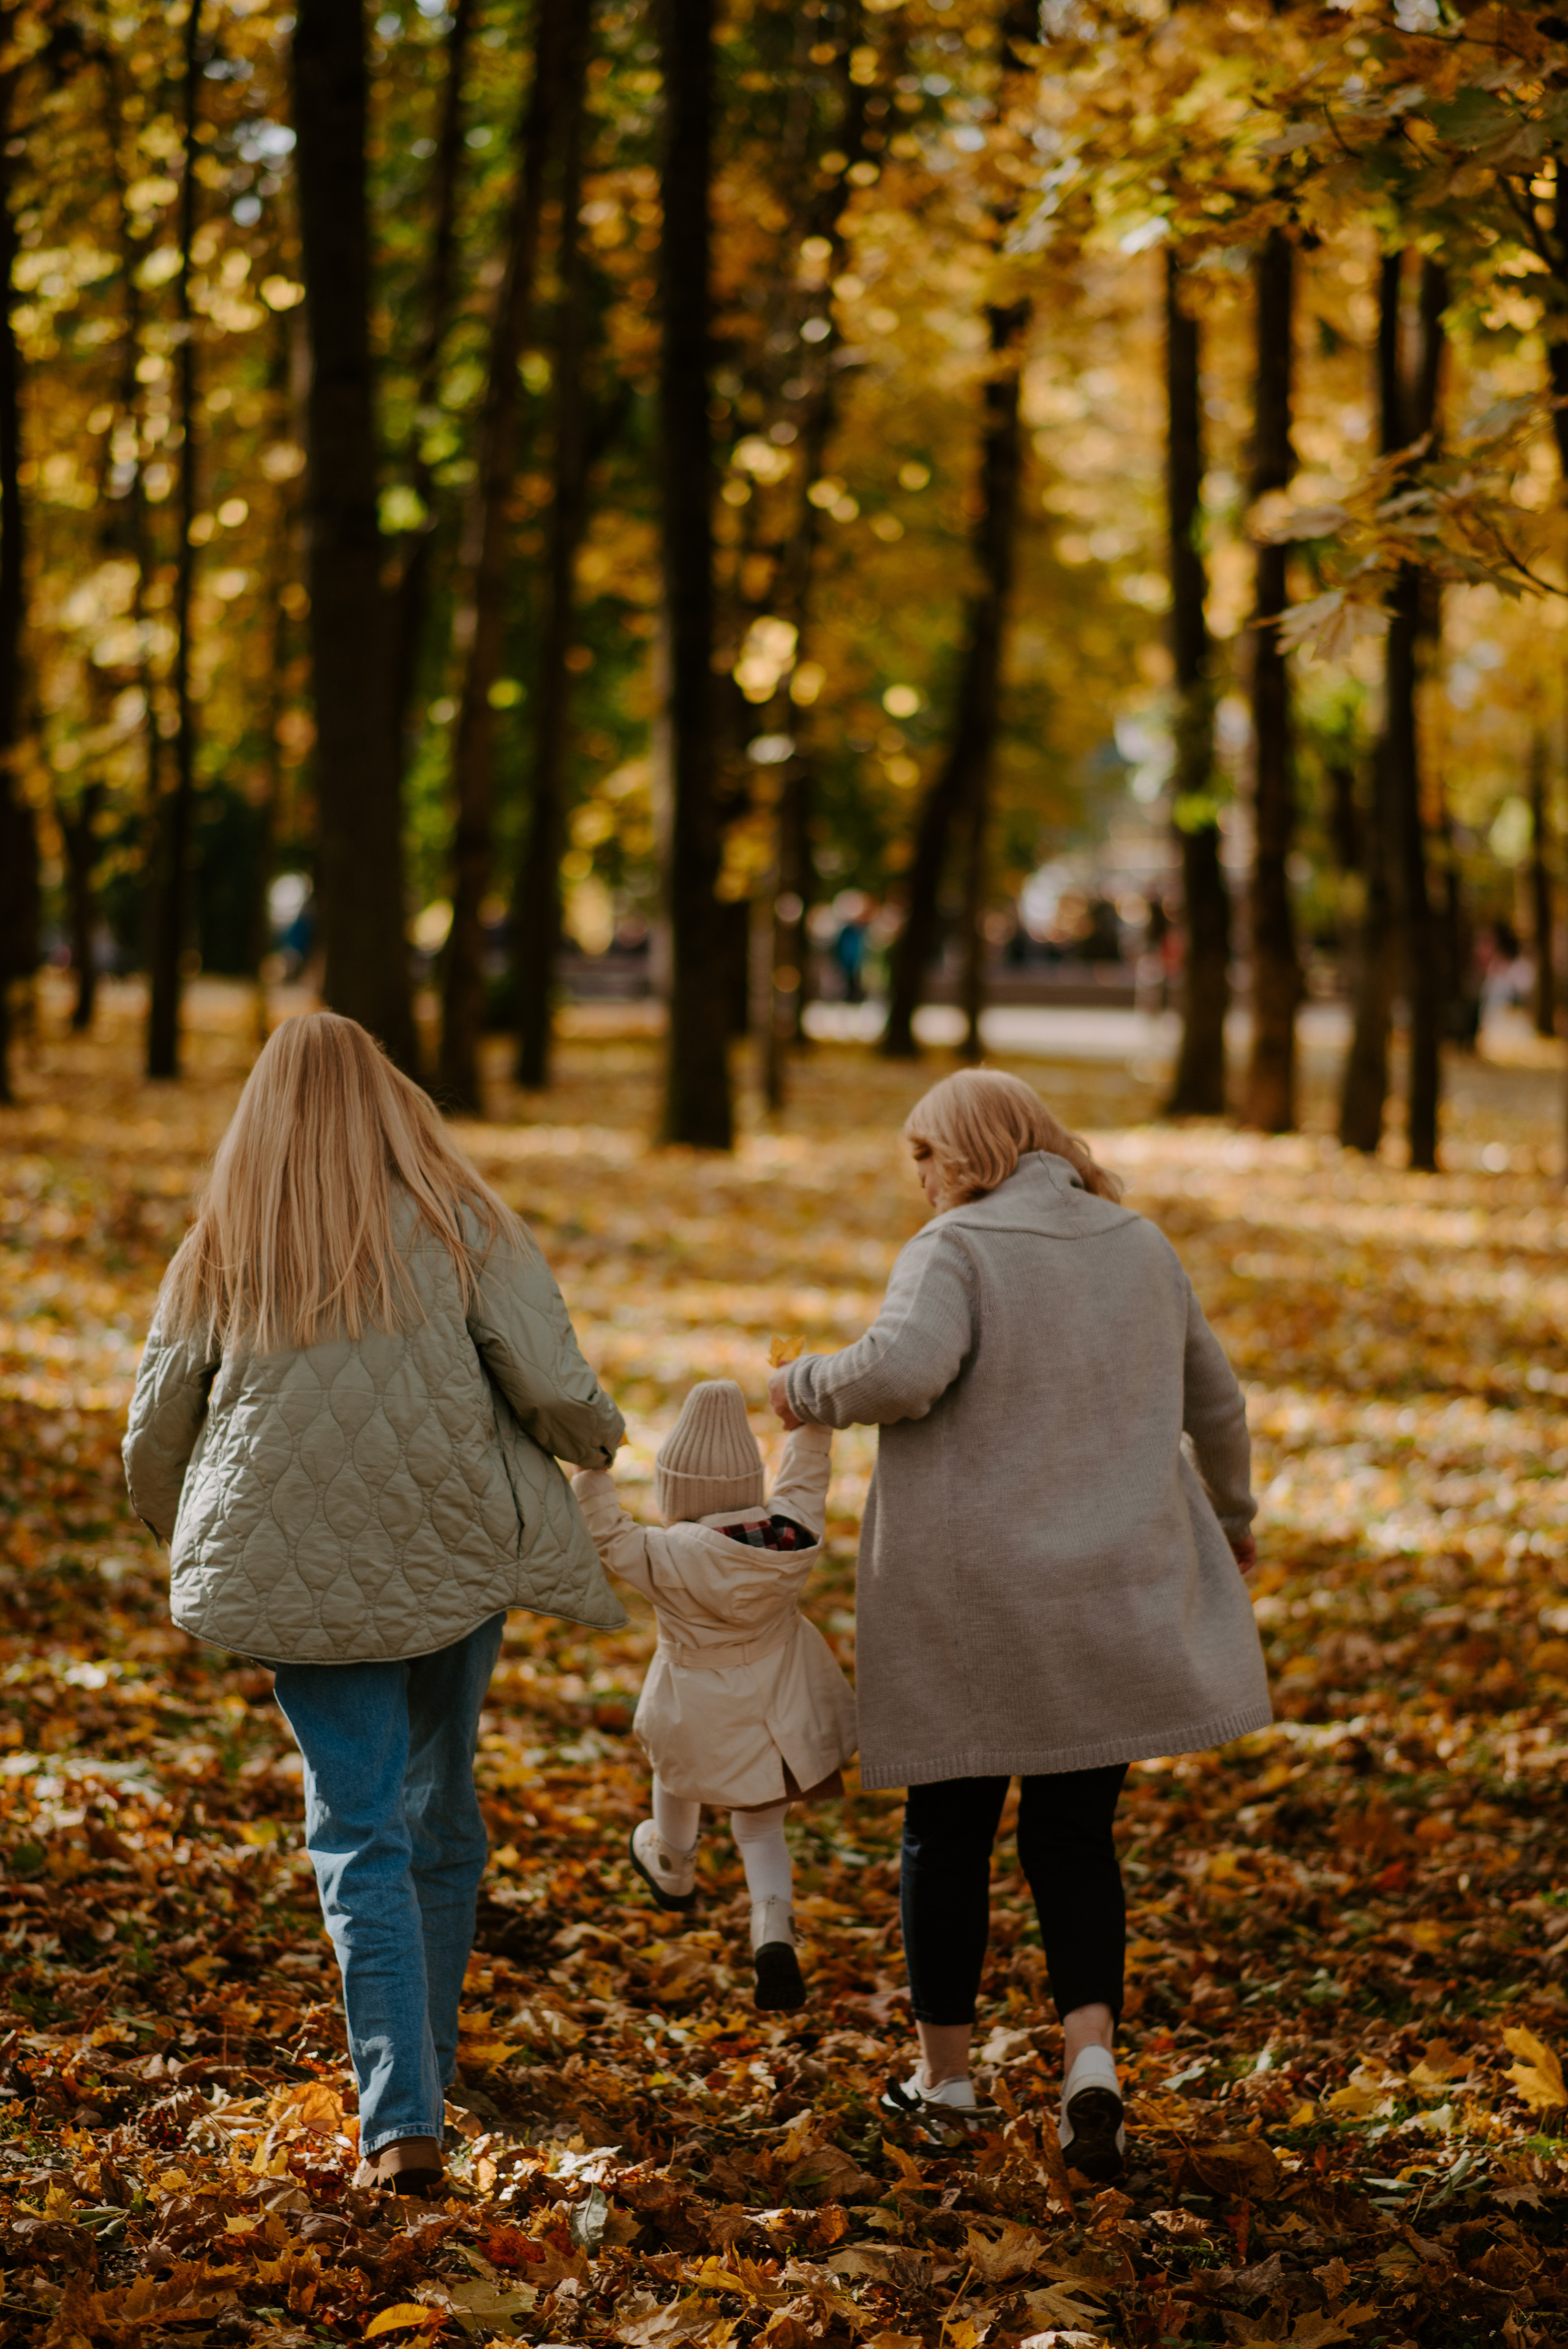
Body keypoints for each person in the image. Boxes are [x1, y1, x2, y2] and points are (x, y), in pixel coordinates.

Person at [123, 1012, 625, 2196]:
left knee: (358, 1832)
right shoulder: (462, 1224)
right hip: (449, 1552)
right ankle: (426, 2083)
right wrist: (597, 1440)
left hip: (297, 1567)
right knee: (439, 1813)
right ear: (393, 1098)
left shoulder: (227, 1246)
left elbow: (156, 1432)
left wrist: (180, 1526)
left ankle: (403, 2115)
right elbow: (552, 1385)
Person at [768, 1069, 1268, 2183]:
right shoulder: (1138, 1242)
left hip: (974, 1604)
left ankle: (945, 2087)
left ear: (975, 1148)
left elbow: (901, 1372)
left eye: (926, 1155)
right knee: (1076, 1838)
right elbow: (1218, 1402)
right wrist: (1233, 1520)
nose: (922, 1181)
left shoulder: (960, 1247)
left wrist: (802, 1384)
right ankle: (1090, 2061)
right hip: (1111, 1593)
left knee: (948, 1834)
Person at [573, 1379, 856, 2010]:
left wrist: (592, 1464)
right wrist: (808, 1423)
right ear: (748, 1488)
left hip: (693, 1704)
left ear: (676, 1493)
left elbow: (604, 1533)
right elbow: (806, 1479)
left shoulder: (663, 1554)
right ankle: (772, 1929)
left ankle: (673, 1860)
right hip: (775, 1710)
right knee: (760, 1831)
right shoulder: (790, 1538)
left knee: (674, 1763)